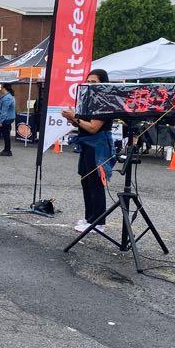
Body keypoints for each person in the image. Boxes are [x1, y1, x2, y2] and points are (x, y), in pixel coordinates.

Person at [63, 69, 114, 233]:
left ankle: (97, 222)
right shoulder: (88, 99)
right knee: (86, 180)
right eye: (88, 81)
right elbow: (82, 124)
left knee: (95, 182)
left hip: (98, 145)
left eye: (94, 82)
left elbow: (93, 127)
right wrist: (72, 118)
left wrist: (74, 117)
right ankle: (89, 217)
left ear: (103, 84)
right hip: (86, 143)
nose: (90, 85)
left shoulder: (104, 101)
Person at [0, 83, 16, 155]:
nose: (1, 90)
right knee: (6, 134)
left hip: (6, 119)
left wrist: (0, 121)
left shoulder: (7, 98)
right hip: (8, 118)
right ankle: (6, 149)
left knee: (6, 135)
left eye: (2, 88)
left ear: (4, 89)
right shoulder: (7, 96)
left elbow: (4, 111)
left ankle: (7, 150)